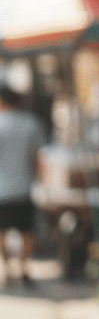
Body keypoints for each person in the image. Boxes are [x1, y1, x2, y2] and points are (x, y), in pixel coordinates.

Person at [0, 85, 45, 285]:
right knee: (27, 231)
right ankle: (25, 269)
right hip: (24, 186)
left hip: (1, 190)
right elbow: (38, 158)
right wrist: (40, 182)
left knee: (1, 232)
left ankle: (8, 271)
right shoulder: (30, 123)